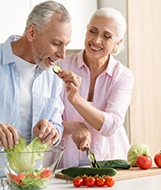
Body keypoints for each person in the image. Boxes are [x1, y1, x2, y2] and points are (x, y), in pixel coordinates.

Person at [0, 1, 71, 182]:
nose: (62, 54)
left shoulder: (51, 76)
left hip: (26, 183)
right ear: (32, 32)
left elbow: (56, 123)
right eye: (56, 43)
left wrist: (52, 131)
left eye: (66, 44)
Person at [56, 7, 134, 168]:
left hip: (113, 165)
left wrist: (75, 99)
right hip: (67, 166)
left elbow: (111, 126)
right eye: (93, 31)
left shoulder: (123, 76)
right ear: (86, 31)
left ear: (117, 43)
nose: (96, 40)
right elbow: (48, 123)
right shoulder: (61, 67)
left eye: (106, 36)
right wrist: (74, 127)